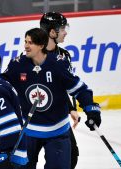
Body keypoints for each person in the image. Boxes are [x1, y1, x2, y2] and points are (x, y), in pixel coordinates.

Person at [1, 28, 101, 169]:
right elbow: (1, 86)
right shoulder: (18, 65)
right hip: (27, 131)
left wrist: (91, 108)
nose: (26, 46)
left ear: (41, 46)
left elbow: (79, 89)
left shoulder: (58, 64)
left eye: (30, 43)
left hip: (57, 132)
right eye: (25, 41)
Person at [40, 11, 80, 168]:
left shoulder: (64, 55)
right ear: (51, 32)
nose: (65, 33)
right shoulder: (33, 55)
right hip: (36, 118)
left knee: (71, 156)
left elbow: (66, 85)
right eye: (62, 29)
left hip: (58, 118)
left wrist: (71, 108)